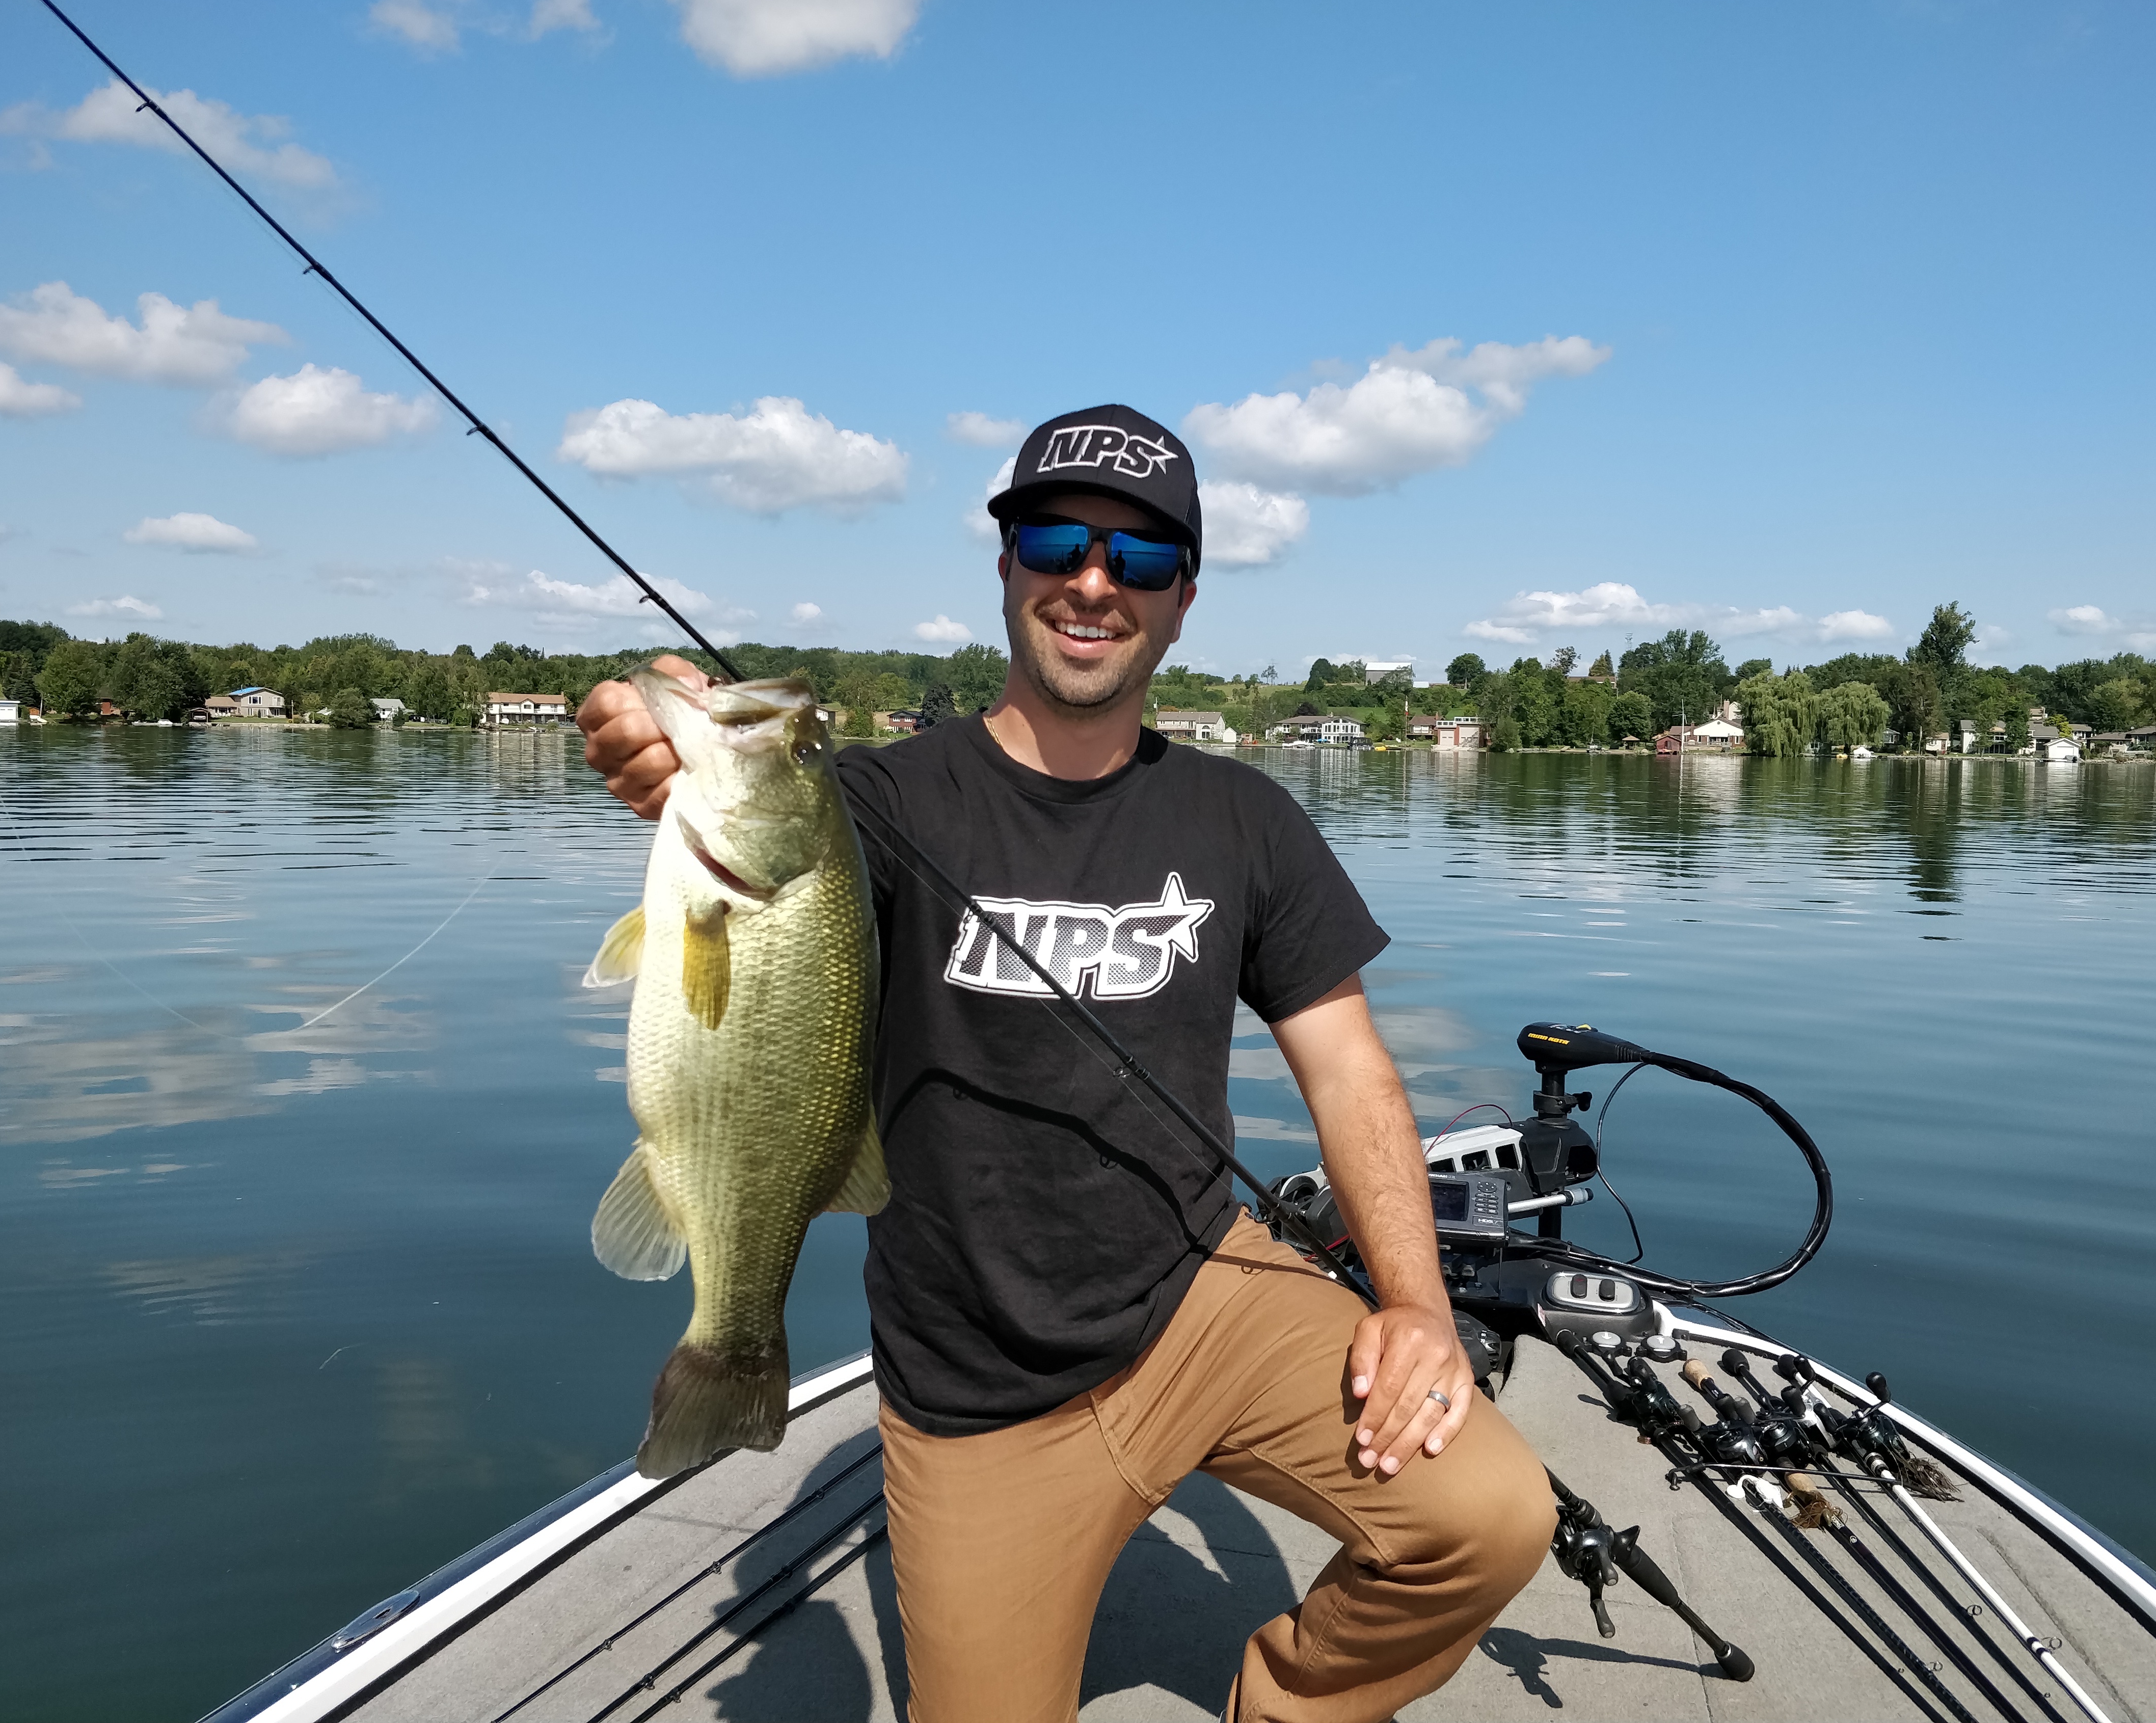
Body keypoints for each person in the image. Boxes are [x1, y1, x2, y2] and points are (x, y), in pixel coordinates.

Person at [577, 404, 1554, 1722]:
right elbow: (693, 760)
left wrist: (1416, 1305)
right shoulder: (871, 805)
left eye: (1141, 560)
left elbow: (1350, 1071)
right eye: (1058, 539)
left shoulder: (1242, 816)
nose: (1094, 581)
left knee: (1491, 1515)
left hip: (1203, 1302)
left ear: (1182, 601)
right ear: (1006, 565)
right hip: (978, 1389)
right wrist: (651, 723)